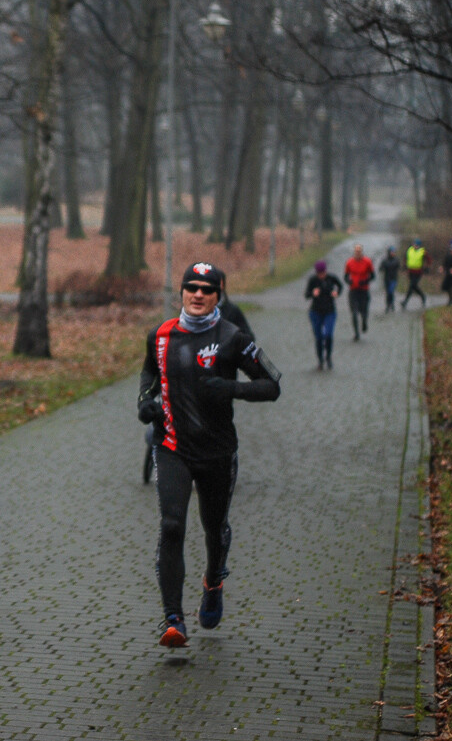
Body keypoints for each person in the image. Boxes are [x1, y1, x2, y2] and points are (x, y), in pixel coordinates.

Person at [136, 262, 281, 648]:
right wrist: (144, 403)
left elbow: (271, 386)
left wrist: (229, 389)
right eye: (191, 288)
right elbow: (149, 374)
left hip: (218, 451)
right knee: (171, 526)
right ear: (181, 292)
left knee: (213, 529)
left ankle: (214, 580)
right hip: (172, 447)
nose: (197, 295)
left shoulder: (233, 337)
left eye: (206, 289)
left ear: (218, 295)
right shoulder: (161, 335)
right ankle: (173, 619)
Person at [305, 260, 343, 370]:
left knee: (328, 335)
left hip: (330, 311)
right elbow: (306, 294)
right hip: (315, 312)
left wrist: (337, 293)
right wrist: (313, 293)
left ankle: (329, 357)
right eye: (319, 273)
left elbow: (340, 286)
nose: (321, 275)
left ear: (325, 271)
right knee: (319, 337)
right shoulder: (313, 280)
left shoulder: (331, 278)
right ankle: (320, 360)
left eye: (323, 273)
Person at [342, 243, 375, 341]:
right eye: (356, 251)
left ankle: (364, 322)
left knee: (364, 311)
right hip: (353, 291)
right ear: (354, 252)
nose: (357, 253)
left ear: (362, 252)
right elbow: (345, 276)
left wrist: (365, 281)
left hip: (364, 290)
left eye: (359, 251)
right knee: (354, 313)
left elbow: (373, 276)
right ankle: (356, 333)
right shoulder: (349, 262)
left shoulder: (367, 262)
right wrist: (349, 281)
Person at [402, 238, 428, 309]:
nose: (414, 246)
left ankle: (405, 301)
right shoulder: (410, 250)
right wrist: (404, 265)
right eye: (414, 244)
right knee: (413, 286)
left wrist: (426, 268)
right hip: (410, 272)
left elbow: (429, 260)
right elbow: (405, 258)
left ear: (419, 245)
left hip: (418, 272)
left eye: (416, 245)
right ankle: (422, 296)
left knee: (412, 285)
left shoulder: (422, 251)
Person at [378, 246, 401, 313]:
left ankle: (392, 304)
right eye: (392, 252)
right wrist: (382, 269)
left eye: (394, 252)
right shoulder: (385, 260)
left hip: (394, 278)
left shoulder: (396, 260)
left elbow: (399, 267)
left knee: (391, 292)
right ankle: (388, 305)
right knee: (388, 293)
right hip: (386, 279)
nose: (393, 253)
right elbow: (380, 268)